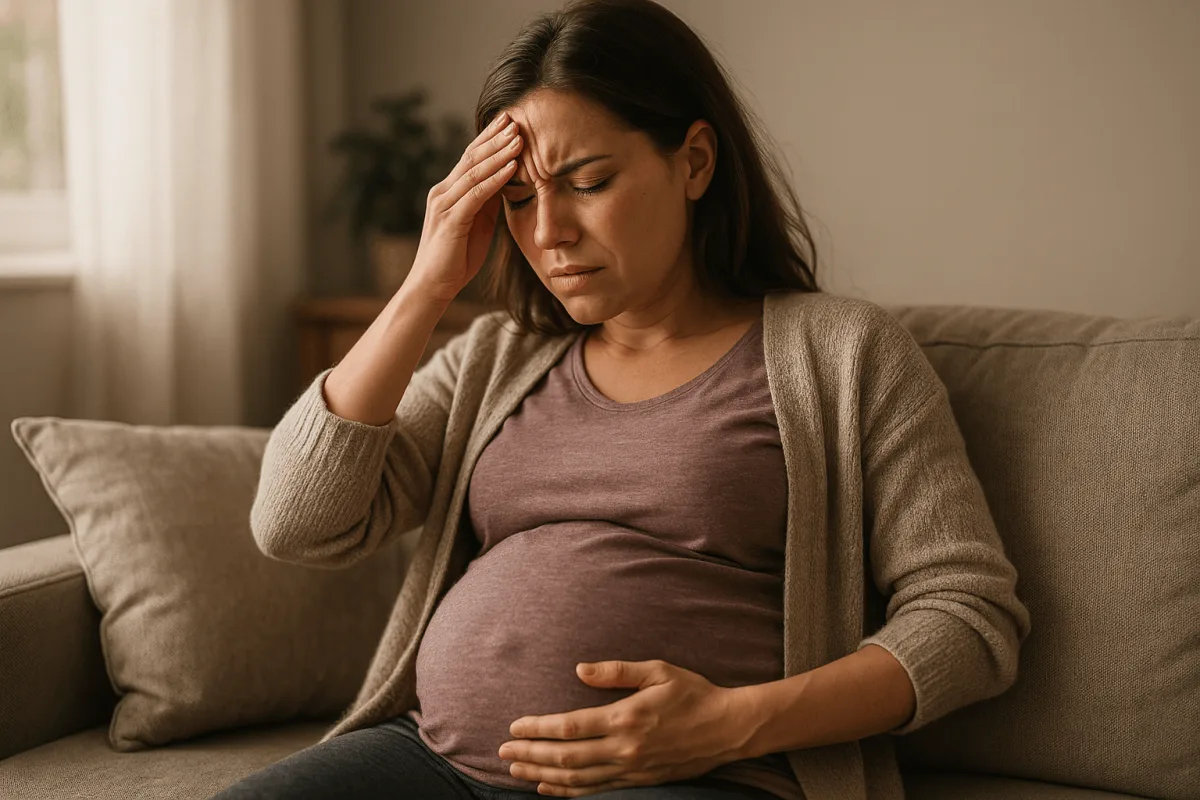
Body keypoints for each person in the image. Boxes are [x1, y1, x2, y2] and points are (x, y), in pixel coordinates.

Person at [212, 0, 1030, 798]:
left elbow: (968, 618)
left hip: (705, 775)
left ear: (695, 162)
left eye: (588, 182)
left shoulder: (842, 355)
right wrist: (426, 286)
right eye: (522, 200)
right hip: (431, 762)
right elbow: (296, 523)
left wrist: (733, 723)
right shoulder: (497, 359)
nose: (549, 233)